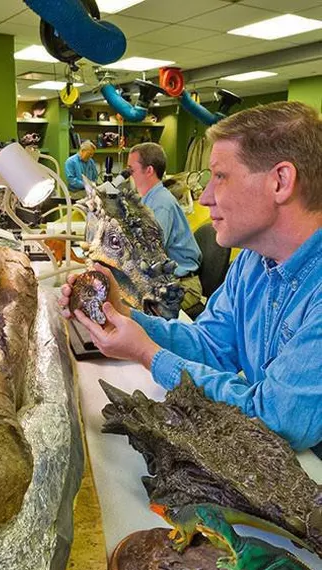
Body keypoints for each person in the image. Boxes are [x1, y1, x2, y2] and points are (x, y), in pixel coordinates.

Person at [60, 101, 322, 453]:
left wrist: (147, 353)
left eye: (220, 176)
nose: (205, 197)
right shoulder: (252, 262)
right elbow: (211, 346)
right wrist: (124, 315)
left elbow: (277, 419)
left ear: (280, 181)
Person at [126, 142, 203, 314]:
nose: (128, 175)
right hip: (164, 281)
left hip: (182, 286)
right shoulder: (147, 201)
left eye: (131, 170)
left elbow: (147, 253)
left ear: (149, 170)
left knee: (131, 316)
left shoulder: (160, 204)